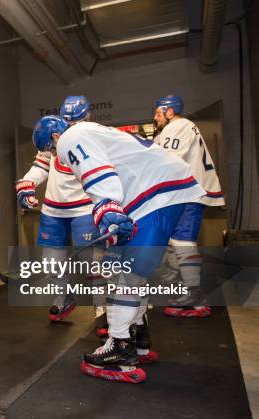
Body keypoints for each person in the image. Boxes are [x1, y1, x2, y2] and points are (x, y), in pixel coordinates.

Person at [33, 99, 205, 383]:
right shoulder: (94, 131)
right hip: (163, 192)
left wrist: (106, 207)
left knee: (123, 275)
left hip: (155, 195)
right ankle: (138, 338)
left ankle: (120, 347)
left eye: (51, 150)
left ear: (54, 137)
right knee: (127, 272)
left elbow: (97, 172)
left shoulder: (69, 137)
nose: (56, 156)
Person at [16, 96, 100, 322]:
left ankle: (104, 311)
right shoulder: (53, 132)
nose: (71, 127)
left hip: (84, 208)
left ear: (87, 117)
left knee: (92, 264)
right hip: (53, 209)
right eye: (68, 121)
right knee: (51, 262)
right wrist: (27, 183)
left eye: (77, 121)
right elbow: (40, 167)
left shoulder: (95, 136)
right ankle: (63, 299)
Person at [153, 95, 224, 318]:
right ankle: (185, 289)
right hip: (185, 193)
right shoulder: (180, 128)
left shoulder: (178, 126)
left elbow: (165, 160)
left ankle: (196, 296)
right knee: (174, 241)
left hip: (187, 192)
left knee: (183, 241)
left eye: (157, 113)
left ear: (170, 111)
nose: (155, 118)